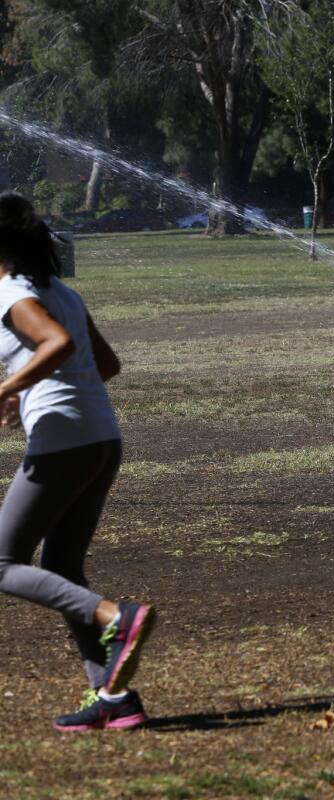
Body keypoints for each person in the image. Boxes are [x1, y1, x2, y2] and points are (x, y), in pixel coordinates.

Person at [0, 192, 155, 731]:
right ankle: (112, 696)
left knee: (1, 562)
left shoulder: (10, 294)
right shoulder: (59, 290)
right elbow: (105, 364)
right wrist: (29, 393)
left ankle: (119, 616)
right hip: (100, 438)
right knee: (62, 566)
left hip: (65, 443)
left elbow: (58, 344)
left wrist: (7, 388)